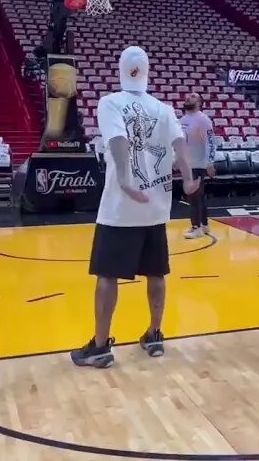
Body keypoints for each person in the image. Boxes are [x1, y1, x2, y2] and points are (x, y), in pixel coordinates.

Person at [71, 46, 200, 368]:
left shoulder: (110, 102)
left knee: (107, 275)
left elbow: (118, 140)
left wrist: (127, 181)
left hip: (121, 205)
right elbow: (179, 144)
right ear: (147, 70)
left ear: (120, 68)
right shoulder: (163, 108)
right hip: (156, 205)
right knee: (156, 273)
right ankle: (154, 335)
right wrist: (187, 179)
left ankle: (100, 346)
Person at [179, 93, 217, 239]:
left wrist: (210, 162)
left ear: (199, 102)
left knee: (194, 195)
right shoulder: (182, 120)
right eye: (187, 96)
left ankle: (196, 227)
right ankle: (204, 224)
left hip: (198, 163)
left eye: (193, 96)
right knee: (198, 196)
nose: (188, 98)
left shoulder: (203, 119)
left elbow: (210, 141)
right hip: (187, 164)